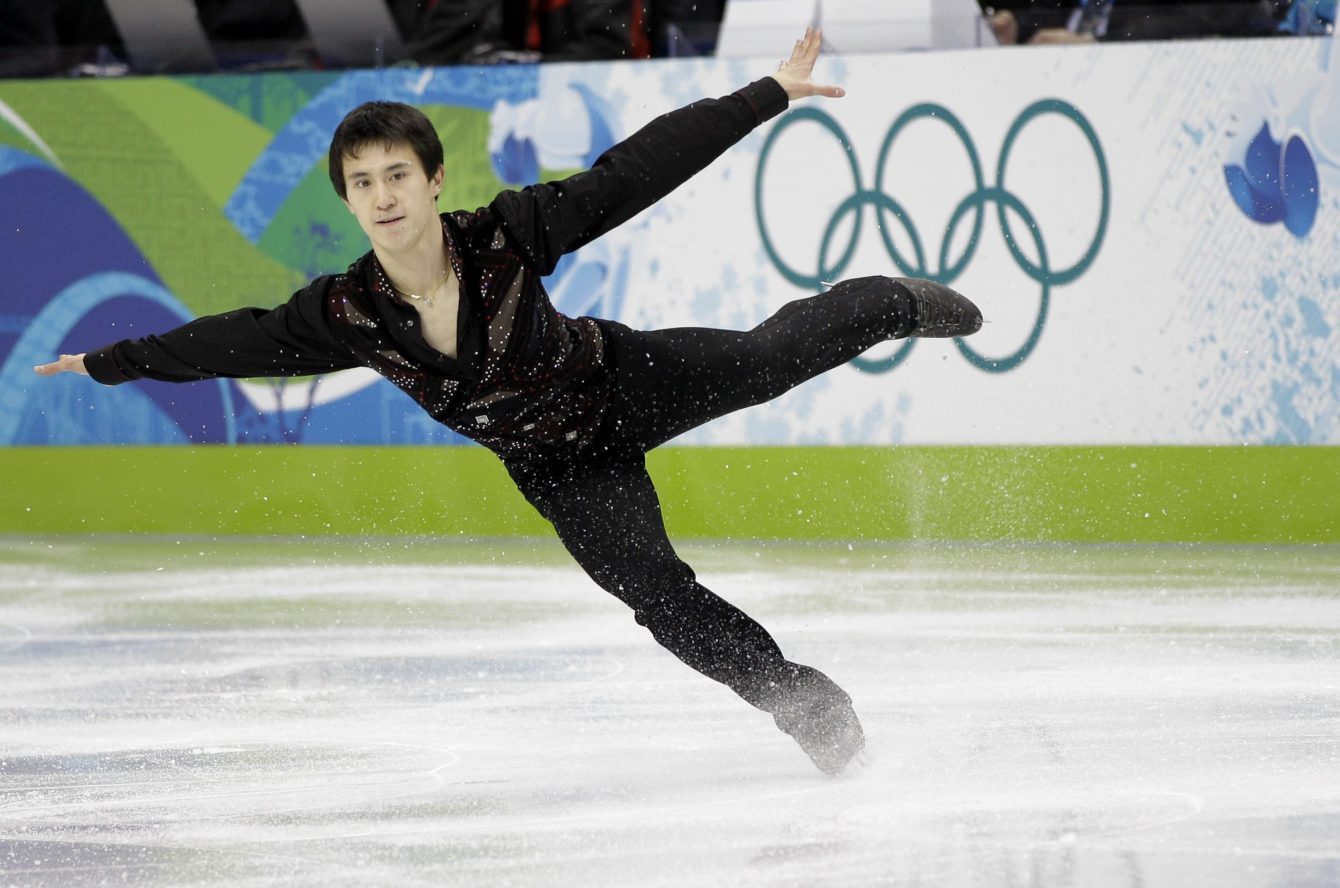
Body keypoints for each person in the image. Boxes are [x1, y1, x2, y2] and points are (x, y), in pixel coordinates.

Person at [34, 28, 982, 776]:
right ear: (349, 202)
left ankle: (887, 301)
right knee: (657, 597)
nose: (383, 195)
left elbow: (634, 173)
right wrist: (109, 362)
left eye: (397, 174)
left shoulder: (505, 235)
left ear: (433, 179)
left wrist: (766, 95)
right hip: (559, 469)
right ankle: (802, 703)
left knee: (772, 356)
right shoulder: (343, 312)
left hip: (620, 378)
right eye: (362, 184)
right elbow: (223, 341)